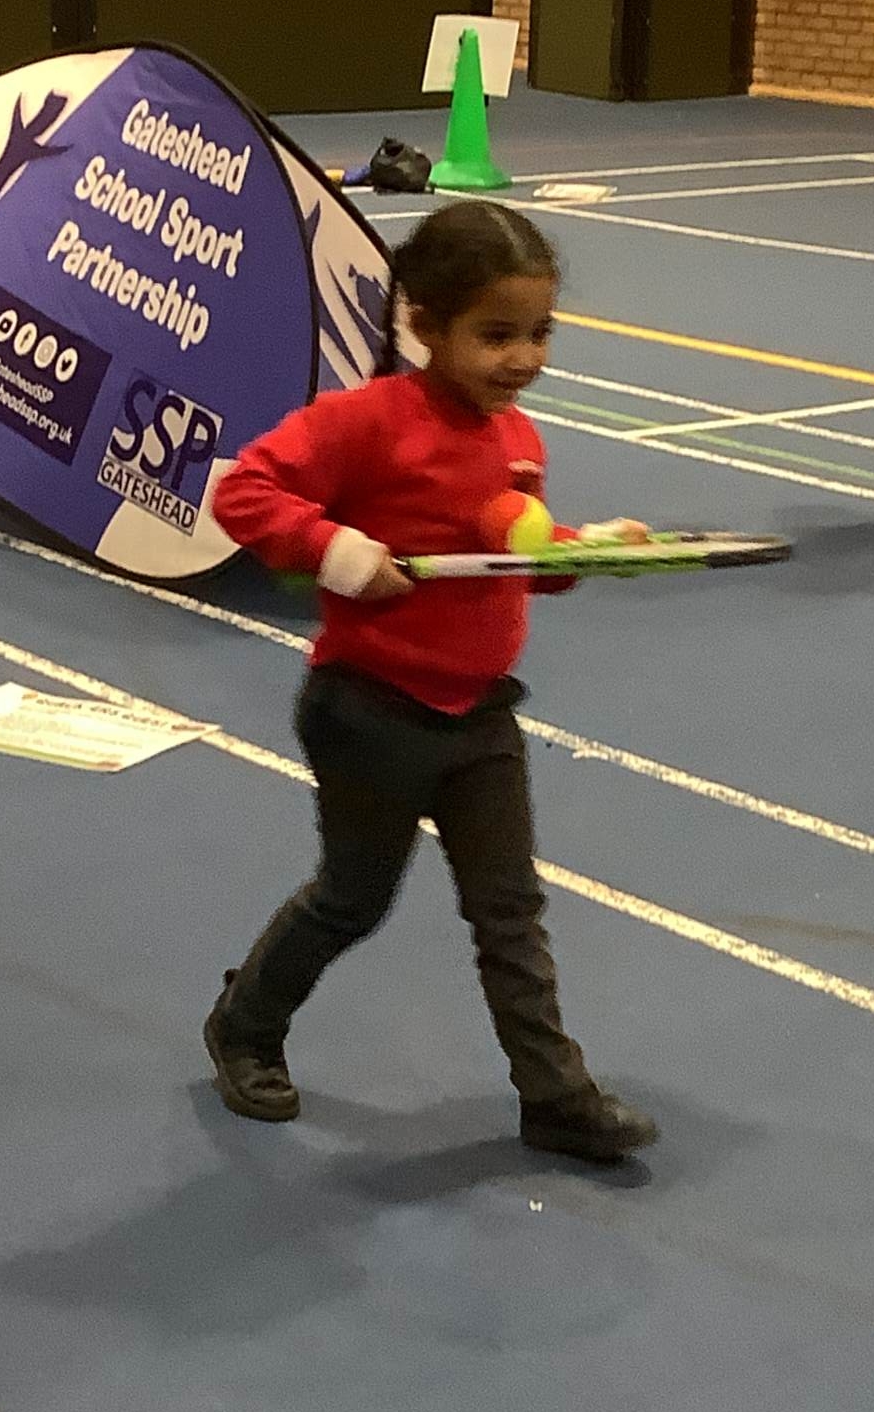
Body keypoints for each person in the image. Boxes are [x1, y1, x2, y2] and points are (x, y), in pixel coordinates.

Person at [205, 201, 658, 1165]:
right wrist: (337, 552)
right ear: (425, 325)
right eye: (496, 335)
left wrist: (586, 550)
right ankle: (244, 1024)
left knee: (510, 912)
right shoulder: (366, 421)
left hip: (480, 718)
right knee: (352, 900)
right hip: (369, 713)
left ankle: (554, 1095)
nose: (523, 358)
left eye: (539, 333)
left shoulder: (518, 439)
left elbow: (517, 558)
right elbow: (244, 492)